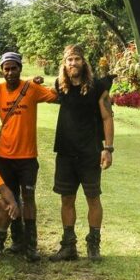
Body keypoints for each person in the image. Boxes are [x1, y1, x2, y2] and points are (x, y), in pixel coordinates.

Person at [0, 51, 56, 261]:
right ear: (1, 70)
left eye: (14, 68)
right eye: (6, 69)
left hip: (27, 157)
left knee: (28, 199)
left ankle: (31, 245)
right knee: (10, 198)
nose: (10, 72)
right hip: (5, 157)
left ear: (20, 68)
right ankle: (17, 241)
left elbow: (56, 94)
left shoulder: (31, 89)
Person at [50, 44, 115, 262]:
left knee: (93, 198)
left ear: (83, 62)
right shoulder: (60, 86)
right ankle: (69, 246)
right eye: (69, 60)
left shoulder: (98, 87)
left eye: (77, 59)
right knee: (66, 199)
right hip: (66, 154)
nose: (73, 63)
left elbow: (107, 118)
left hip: (90, 152)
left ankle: (93, 245)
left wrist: (108, 148)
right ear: (64, 64)